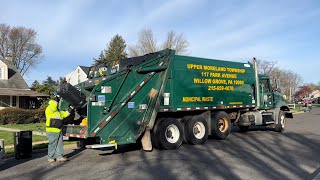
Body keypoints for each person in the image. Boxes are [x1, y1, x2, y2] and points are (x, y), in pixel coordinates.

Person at [45, 93, 73, 163]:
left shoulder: (57, 112)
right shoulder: (49, 109)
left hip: (58, 130)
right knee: (52, 144)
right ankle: (50, 157)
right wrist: (56, 98)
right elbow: (54, 105)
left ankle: (59, 157)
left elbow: (64, 114)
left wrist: (70, 109)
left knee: (59, 144)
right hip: (51, 131)